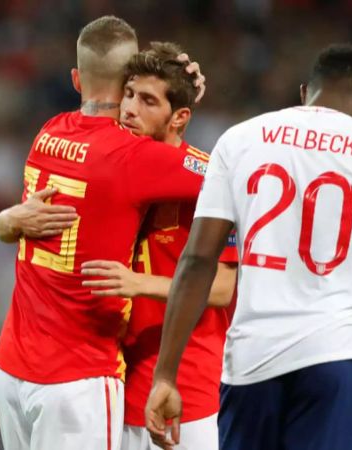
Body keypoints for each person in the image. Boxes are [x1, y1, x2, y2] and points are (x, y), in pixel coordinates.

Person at [145, 44, 352, 450]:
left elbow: (196, 260)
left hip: (249, 360)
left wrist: (165, 376)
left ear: (304, 92)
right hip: (335, 357)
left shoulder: (239, 140)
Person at [0, 17, 207, 450]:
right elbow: (226, 175)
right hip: (77, 377)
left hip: (11, 368)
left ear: (76, 78)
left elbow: (16, 224)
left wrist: (5, 222)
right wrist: (187, 101)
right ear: (128, 78)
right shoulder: (134, 155)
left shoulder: (47, 132)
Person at [77, 42, 238, 450]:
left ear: (180, 117)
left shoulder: (206, 185)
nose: (129, 109)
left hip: (189, 391)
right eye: (128, 94)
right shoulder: (114, 172)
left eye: (147, 100)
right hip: (118, 387)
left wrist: (137, 283)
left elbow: (222, 288)